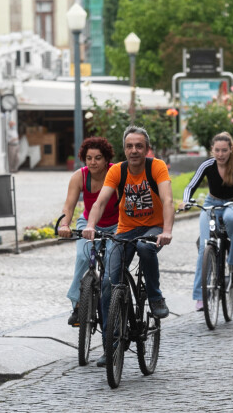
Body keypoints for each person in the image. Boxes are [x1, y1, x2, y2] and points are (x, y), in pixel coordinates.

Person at [83, 126, 174, 367]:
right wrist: (91, 225)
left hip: (153, 228)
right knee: (107, 284)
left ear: (146, 148)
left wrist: (166, 231)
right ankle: (110, 345)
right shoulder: (116, 170)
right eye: (130, 146)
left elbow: (167, 200)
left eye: (139, 146)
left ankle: (155, 297)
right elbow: (100, 202)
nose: (134, 150)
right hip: (125, 230)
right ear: (124, 149)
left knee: (146, 249)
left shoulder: (156, 167)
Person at [180, 132, 233, 311]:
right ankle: (200, 297)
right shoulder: (207, 165)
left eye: (224, 150)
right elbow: (191, 185)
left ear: (230, 150)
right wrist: (186, 200)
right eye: (217, 150)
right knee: (204, 247)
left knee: (231, 218)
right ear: (212, 150)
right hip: (211, 204)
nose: (220, 154)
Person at [57, 137, 119, 326]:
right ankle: (78, 306)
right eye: (89, 158)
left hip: (116, 223)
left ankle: (115, 303)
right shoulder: (79, 176)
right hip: (89, 222)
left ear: (106, 159)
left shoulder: (115, 173)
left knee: (111, 263)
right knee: (84, 256)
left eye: (98, 158)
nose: (92, 162)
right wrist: (64, 225)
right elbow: (69, 205)